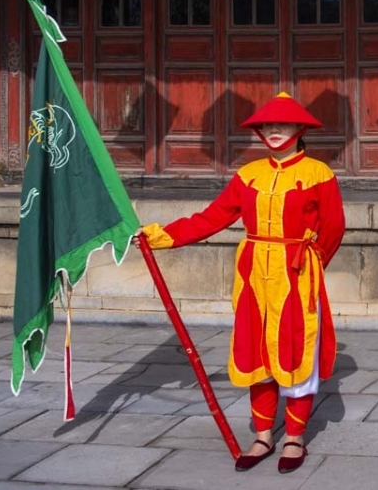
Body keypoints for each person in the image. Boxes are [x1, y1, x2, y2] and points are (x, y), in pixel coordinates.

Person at [136, 91, 345, 473]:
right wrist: (160, 236)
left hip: (295, 275)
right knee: (256, 351)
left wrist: (309, 264)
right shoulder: (249, 175)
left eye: (283, 124)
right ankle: (263, 435)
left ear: (300, 129)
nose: (274, 130)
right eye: (267, 124)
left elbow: (333, 228)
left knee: (296, 351)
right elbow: (212, 217)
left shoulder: (318, 173)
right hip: (252, 276)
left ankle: (295, 438)